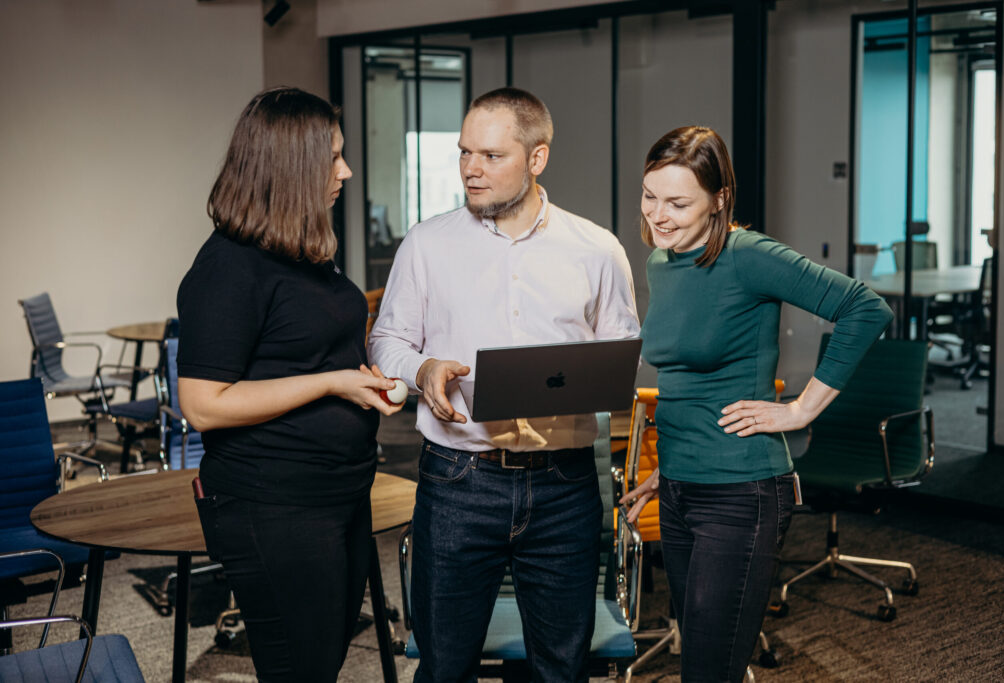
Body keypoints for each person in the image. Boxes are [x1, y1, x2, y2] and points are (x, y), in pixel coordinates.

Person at [368, 87, 640, 682]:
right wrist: (422, 369)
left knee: (561, 669)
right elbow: (386, 341)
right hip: (459, 479)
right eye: (465, 152)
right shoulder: (427, 243)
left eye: (490, 156)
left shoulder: (596, 250)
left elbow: (621, 357)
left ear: (536, 159)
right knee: (444, 667)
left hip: (564, 486)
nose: (471, 168)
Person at [621, 126, 893, 682]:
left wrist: (800, 410)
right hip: (677, 489)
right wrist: (663, 470)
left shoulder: (748, 256)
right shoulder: (662, 263)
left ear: (719, 199)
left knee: (709, 669)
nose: (658, 215)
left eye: (678, 202)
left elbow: (864, 308)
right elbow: (684, 381)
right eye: (650, 196)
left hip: (739, 492)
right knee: (694, 651)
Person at [176, 86, 401, 683]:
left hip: (337, 494)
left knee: (322, 662)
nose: (346, 171)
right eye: (333, 157)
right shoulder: (227, 267)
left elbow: (309, 350)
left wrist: (364, 379)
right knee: (299, 669)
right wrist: (331, 382)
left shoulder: (298, 253)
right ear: (291, 168)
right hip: (272, 502)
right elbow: (203, 405)